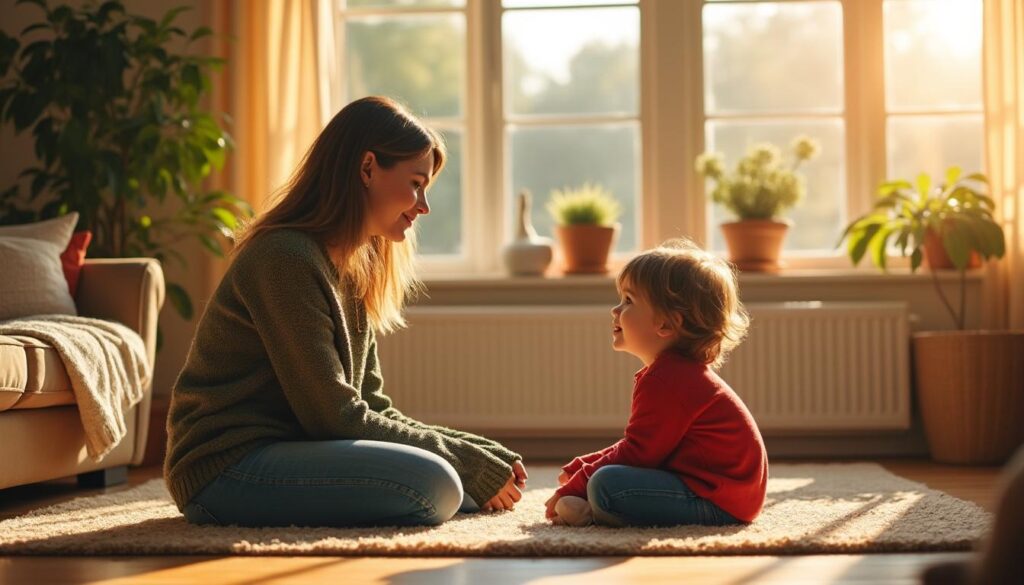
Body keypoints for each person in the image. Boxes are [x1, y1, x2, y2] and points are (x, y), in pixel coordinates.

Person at [164, 96, 527, 528]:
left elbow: (373, 406)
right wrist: (463, 462)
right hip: (225, 468)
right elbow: (335, 417)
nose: (423, 205)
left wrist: (476, 451)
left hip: (294, 448)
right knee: (437, 483)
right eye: (415, 183)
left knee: (449, 475)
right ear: (368, 168)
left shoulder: (351, 266)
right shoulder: (284, 258)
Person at [545, 238, 768, 527]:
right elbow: (646, 445)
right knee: (601, 477)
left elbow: (638, 453)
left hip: (716, 501)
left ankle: (591, 511)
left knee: (605, 484)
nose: (615, 311)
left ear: (665, 324)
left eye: (628, 301)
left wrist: (579, 482)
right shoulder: (676, 374)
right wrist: (587, 464)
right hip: (726, 496)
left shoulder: (668, 379)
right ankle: (595, 503)